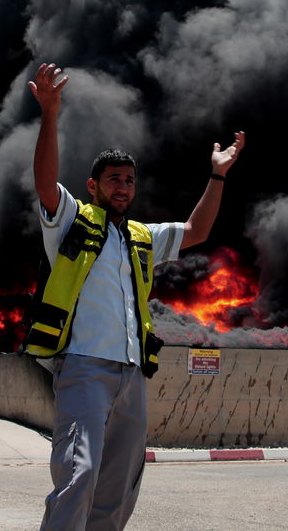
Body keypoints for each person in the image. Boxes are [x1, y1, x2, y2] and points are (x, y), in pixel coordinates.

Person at [24, 61, 245, 531]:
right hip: (84, 366)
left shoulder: (143, 236)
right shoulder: (73, 222)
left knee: (120, 484)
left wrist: (218, 175)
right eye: (113, 179)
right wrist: (50, 114)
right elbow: (45, 185)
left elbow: (196, 230)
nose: (122, 187)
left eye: (128, 180)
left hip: (131, 376)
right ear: (93, 186)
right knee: (77, 472)